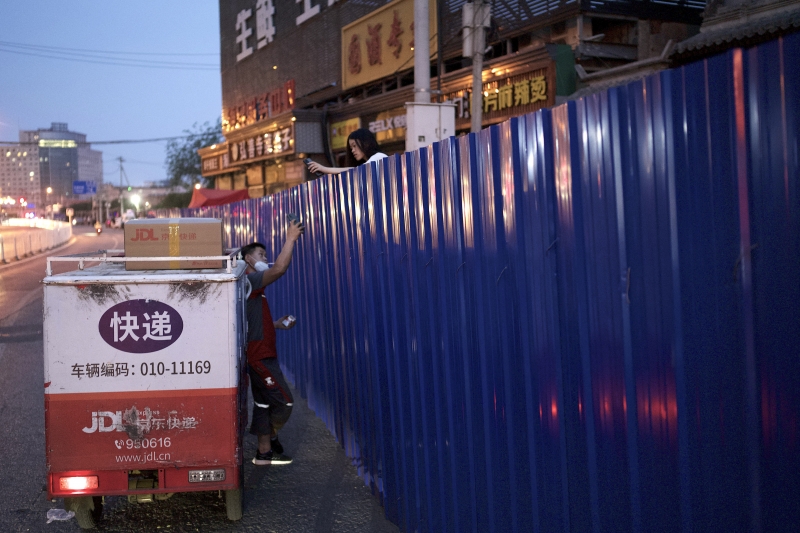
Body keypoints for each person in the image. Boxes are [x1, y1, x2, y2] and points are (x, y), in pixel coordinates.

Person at [240, 218, 304, 465]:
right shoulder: (248, 280)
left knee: (263, 403)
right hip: (260, 356)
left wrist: (276, 324)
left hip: (260, 352)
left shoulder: (250, 287)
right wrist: (290, 239)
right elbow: (278, 269)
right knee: (284, 401)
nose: (263, 258)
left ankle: (264, 452)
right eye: (260, 254)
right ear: (248, 259)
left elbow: (249, 319)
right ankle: (272, 436)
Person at [306, 128, 388, 175]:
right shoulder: (366, 164)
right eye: (351, 147)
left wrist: (324, 169)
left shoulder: (379, 156)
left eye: (354, 146)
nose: (352, 150)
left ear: (366, 143)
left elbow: (357, 170)